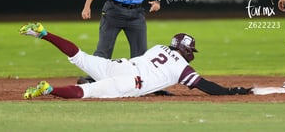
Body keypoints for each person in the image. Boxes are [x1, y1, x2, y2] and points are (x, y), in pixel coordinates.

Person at [19, 23, 252, 99]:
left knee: (78, 55)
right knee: (85, 91)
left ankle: (43, 33)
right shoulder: (182, 67)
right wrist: (230, 91)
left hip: (118, 65)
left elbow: (158, 74)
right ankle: (49, 89)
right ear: (186, 50)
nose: (191, 53)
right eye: (191, 50)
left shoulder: (159, 47)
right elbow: (205, 86)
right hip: (129, 82)